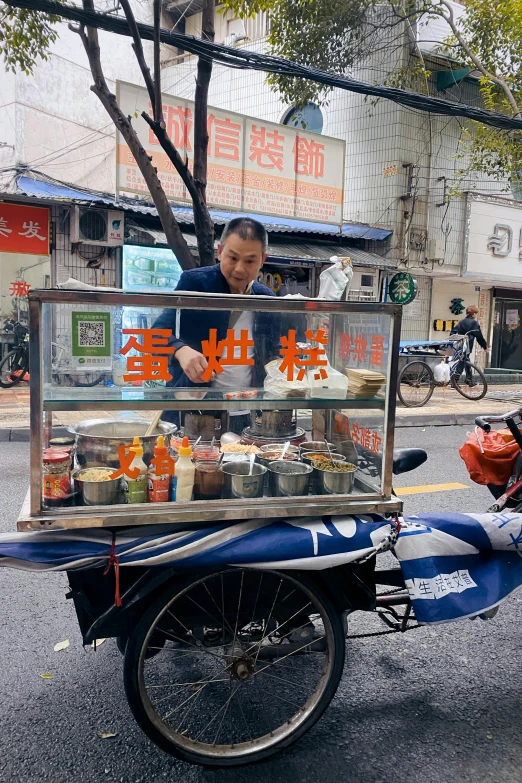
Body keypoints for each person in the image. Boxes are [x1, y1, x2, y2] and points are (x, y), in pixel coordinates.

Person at [152, 217, 282, 430]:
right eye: (232, 258)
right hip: (194, 408)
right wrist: (181, 351)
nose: (239, 269)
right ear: (220, 251)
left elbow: (273, 351)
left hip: (245, 411)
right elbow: (156, 334)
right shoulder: (195, 284)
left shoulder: (266, 298)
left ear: (262, 259)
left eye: (249, 261)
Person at [450, 305, 487, 386]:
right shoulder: (474, 323)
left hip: (460, 345)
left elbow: (453, 332)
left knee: (466, 361)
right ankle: (454, 381)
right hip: (467, 345)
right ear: (473, 314)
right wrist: (485, 346)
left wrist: (455, 340)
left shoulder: (461, 321)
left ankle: (469, 380)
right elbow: (479, 336)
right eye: (476, 314)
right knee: (463, 361)